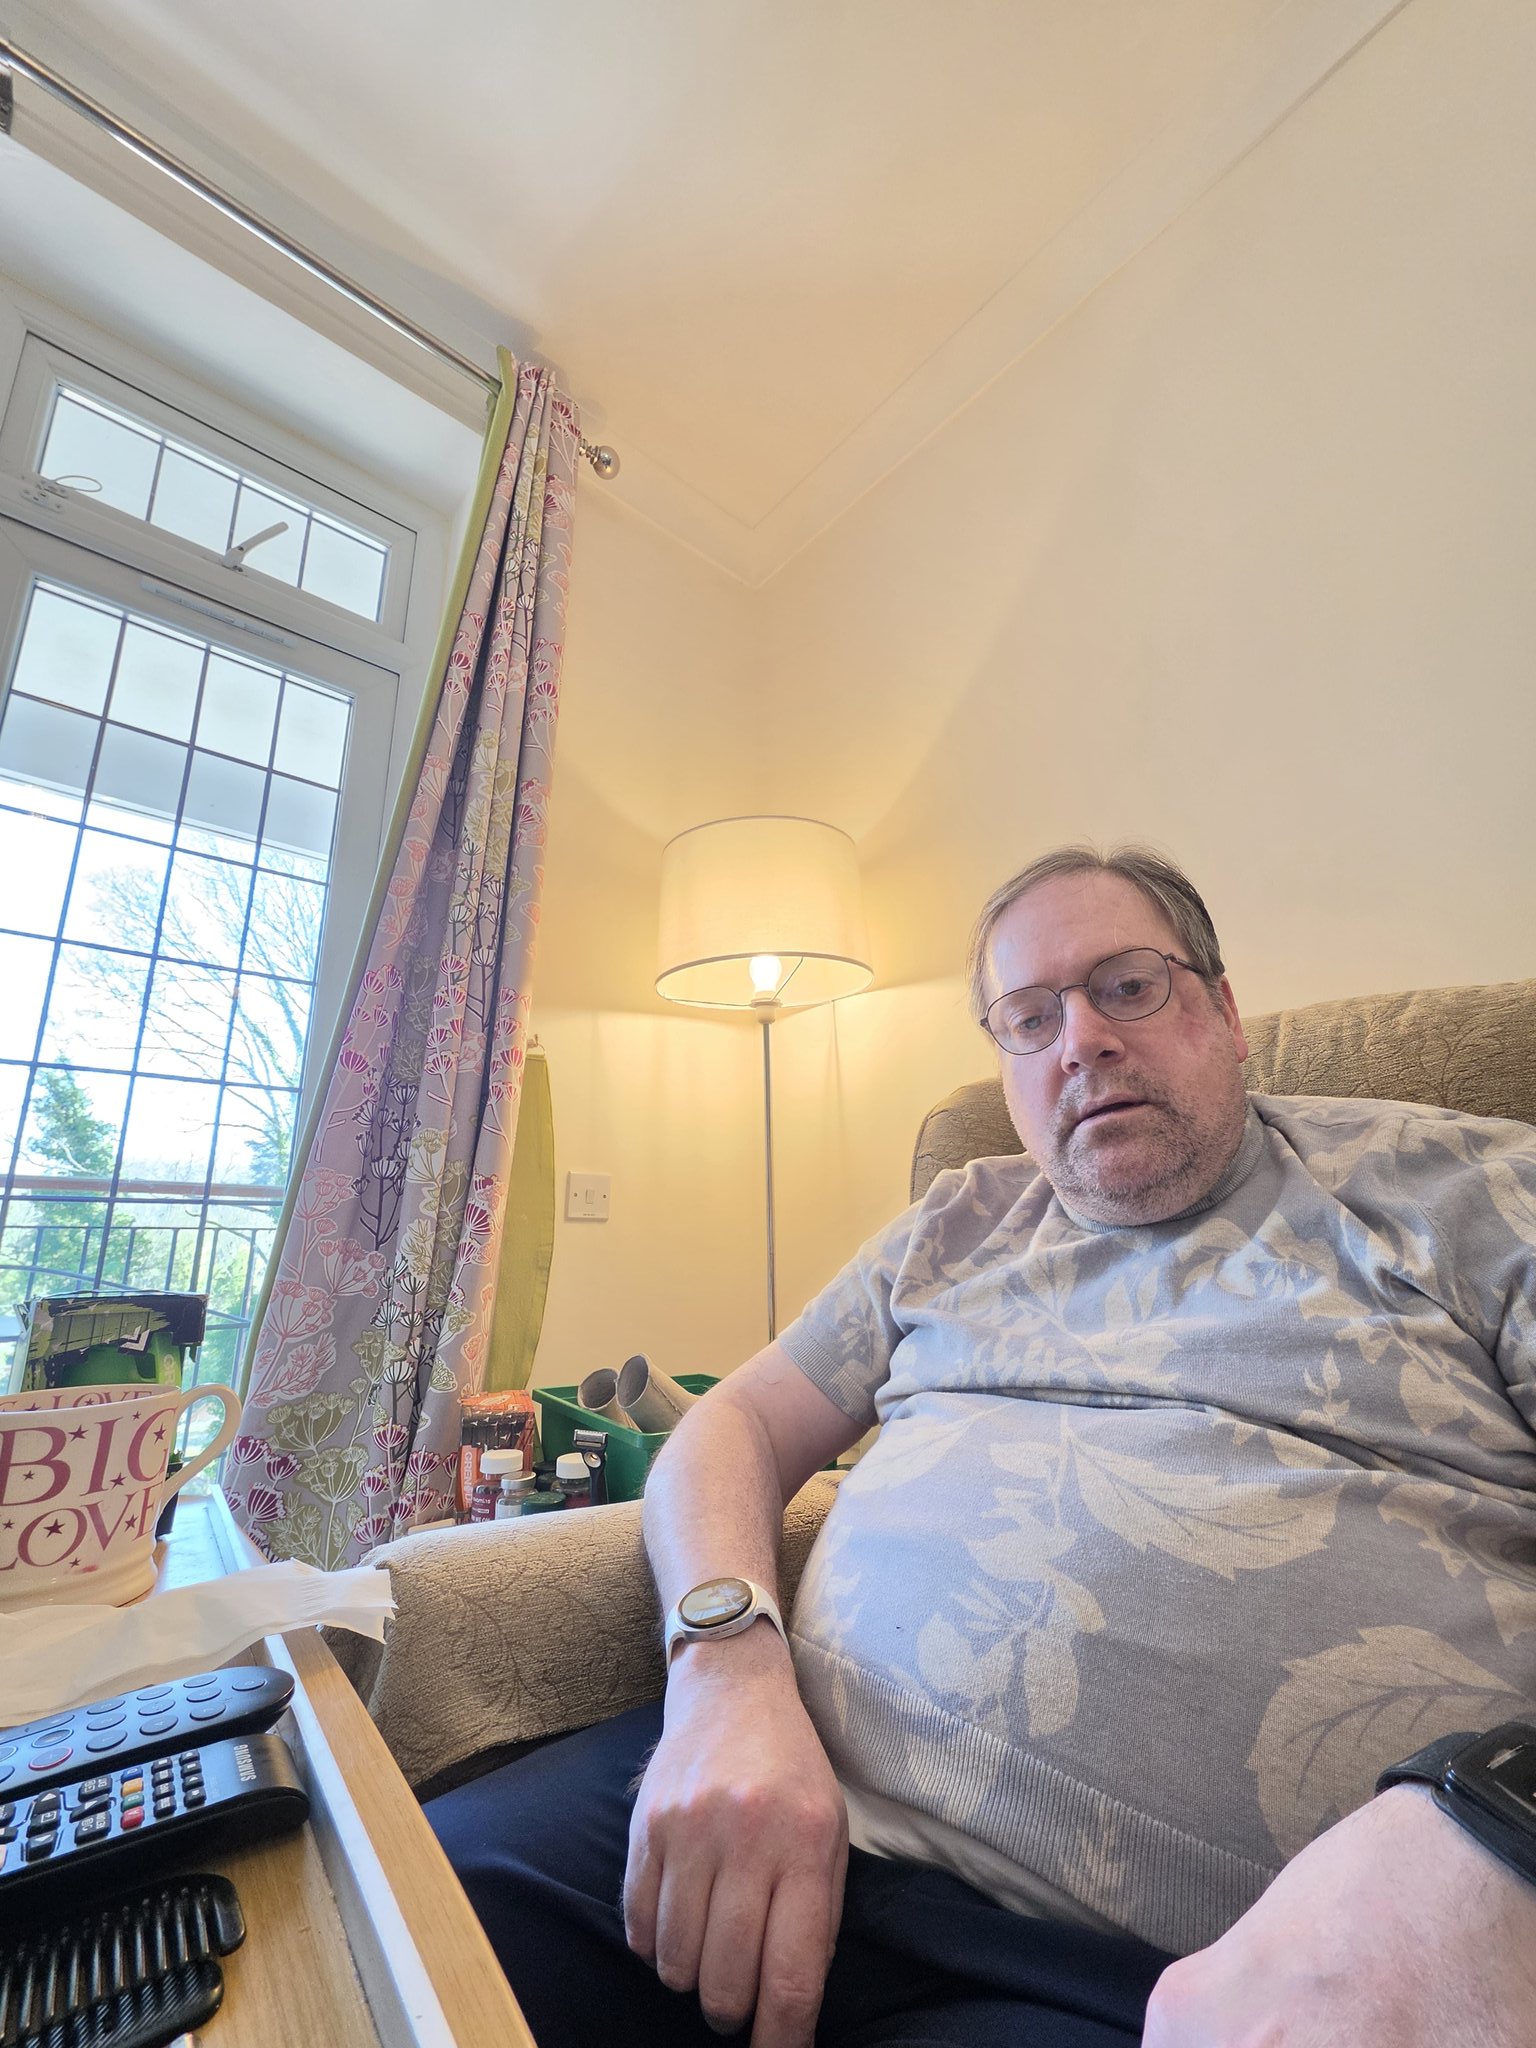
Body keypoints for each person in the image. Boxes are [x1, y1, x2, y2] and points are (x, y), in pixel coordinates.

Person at [428, 844, 1536, 2047]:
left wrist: (1494, 1818)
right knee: (409, 1930)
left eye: (1127, 986)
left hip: (1148, 1972)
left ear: (1223, 1011)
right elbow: (730, 1423)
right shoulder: (957, 1220)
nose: (1082, 1040)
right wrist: (725, 1673)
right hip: (772, 1789)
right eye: (1029, 1016)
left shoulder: (1462, 1193)